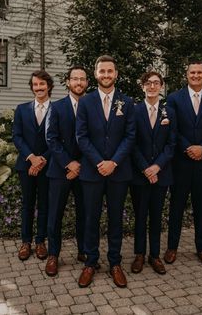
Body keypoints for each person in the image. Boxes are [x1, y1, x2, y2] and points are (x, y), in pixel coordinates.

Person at [76, 55, 135, 288]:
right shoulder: (86, 102)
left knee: (115, 219)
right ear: (96, 74)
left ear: (116, 74)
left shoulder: (127, 102)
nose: (106, 75)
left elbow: (130, 136)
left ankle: (115, 262)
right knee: (91, 218)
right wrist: (100, 161)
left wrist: (114, 162)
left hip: (118, 172)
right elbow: (81, 136)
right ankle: (90, 262)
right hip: (92, 171)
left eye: (110, 71)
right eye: (102, 71)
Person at [164, 60, 202, 266]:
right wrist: (189, 148)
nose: (196, 75)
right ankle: (172, 247)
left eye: (200, 72)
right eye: (192, 72)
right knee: (176, 206)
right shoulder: (174, 99)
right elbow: (172, 129)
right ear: (186, 75)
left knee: (201, 206)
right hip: (181, 162)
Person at [130, 71, 176, 275]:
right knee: (140, 216)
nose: (152, 86)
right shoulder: (133, 111)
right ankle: (139, 254)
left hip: (161, 173)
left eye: (156, 83)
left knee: (156, 216)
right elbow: (131, 143)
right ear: (142, 86)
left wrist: (157, 167)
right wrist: (145, 168)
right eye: (148, 83)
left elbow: (171, 144)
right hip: (139, 175)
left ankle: (154, 255)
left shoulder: (169, 112)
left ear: (162, 86)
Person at [45, 65, 88, 276]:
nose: (78, 82)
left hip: (85, 170)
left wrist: (79, 165)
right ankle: (53, 254)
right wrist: (68, 164)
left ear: (87, 82)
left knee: (85, 213)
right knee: (55, 215)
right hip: (60, 170)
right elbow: (51, 138)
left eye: (82, 79)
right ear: (68, 82)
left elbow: (97, 140)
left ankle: (83, 251)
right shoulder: (57, 106)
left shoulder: (92, 106)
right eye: (75, 79)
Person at [13, 70, 54, 261]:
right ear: (32, 87)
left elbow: (57, 140)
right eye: (35, 85)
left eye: (42, 84)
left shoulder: (57, 110)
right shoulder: (21, 109)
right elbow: (17, 137)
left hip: (47, 166)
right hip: (26, 165)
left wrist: (42, 160)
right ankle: (26, 242)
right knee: (27, 204)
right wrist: (31, 158)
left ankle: (40, 242)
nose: (38, 88)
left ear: (49, 86)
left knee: (44, 204)